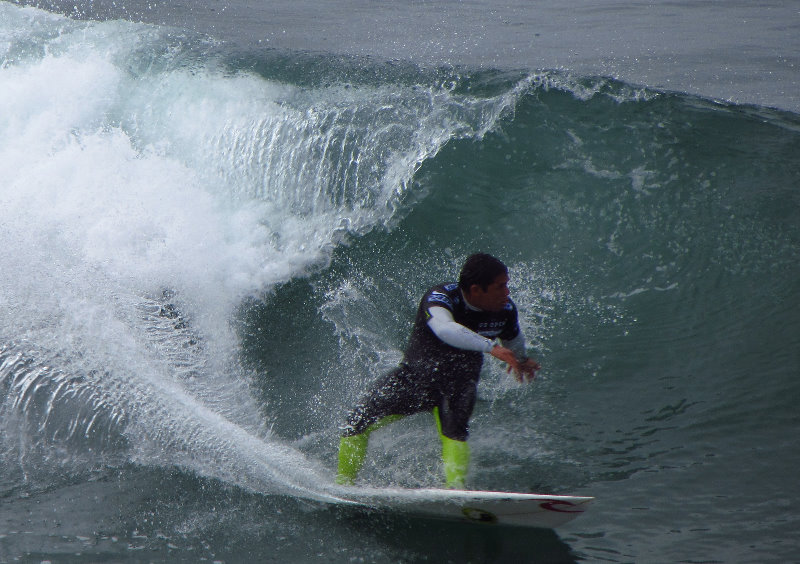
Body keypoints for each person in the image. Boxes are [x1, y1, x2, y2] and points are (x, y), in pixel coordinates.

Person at [336, 253, 540, 489]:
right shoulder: (441, 297)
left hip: (459, 384)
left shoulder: (505, 309)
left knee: (455, 432)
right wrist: (491, 348)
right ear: (476, 289)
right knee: (355, 423)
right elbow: (445, 329)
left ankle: (456, 493)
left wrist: (521, 360)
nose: (507, 293)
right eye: (500, 286)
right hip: (415, 379)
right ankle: (344, 485)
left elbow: (513, 337)